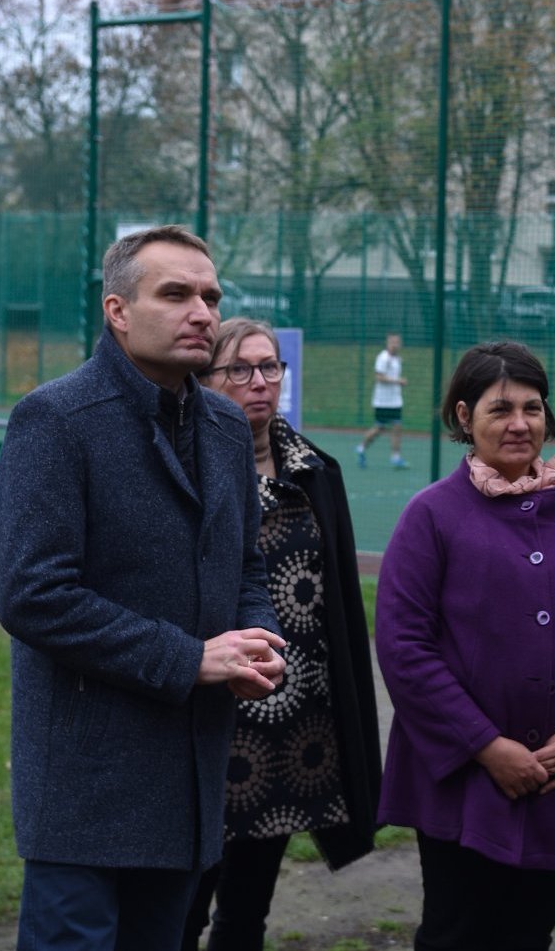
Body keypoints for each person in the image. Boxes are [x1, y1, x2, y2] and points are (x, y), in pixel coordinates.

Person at [0, 224, 288, 951]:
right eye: (177, 294)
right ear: (117, 310)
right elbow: (33, 594)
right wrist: (190, 660)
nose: (203, 313)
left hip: (188, 779)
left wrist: (254, 641)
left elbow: (245, 563)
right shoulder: (54, 419)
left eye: (212, 297)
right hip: (86, 787)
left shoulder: (222, 423)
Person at [375, 340, 555, 951]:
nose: (520, 424)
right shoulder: (432, 516)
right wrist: (484, 745)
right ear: (464, 418)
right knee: (457, 932)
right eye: (500, 409)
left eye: (532, 407)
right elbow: (404, 646)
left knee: (530, 933)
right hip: (465, 778)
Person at [182, 317, 384, 951]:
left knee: (247, 911)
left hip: (292, 732)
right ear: (204, 380)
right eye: (238, 370)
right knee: (181, 907)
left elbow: (341, 603)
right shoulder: (183, 469)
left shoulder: (314, 470)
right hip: (211, 721)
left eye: (270, 367)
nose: (259, 383)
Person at [356, 332, 408, 469]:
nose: (395, 345)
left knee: (397, 427)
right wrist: (398, 381)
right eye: (392, 342)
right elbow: (379, 377)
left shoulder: (397, 359)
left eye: (397, 342)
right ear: (387, 343)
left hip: (395, 401)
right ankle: (361, 448)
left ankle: (396, 458)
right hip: (382, 401)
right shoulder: (383, 358)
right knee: (379, 428)